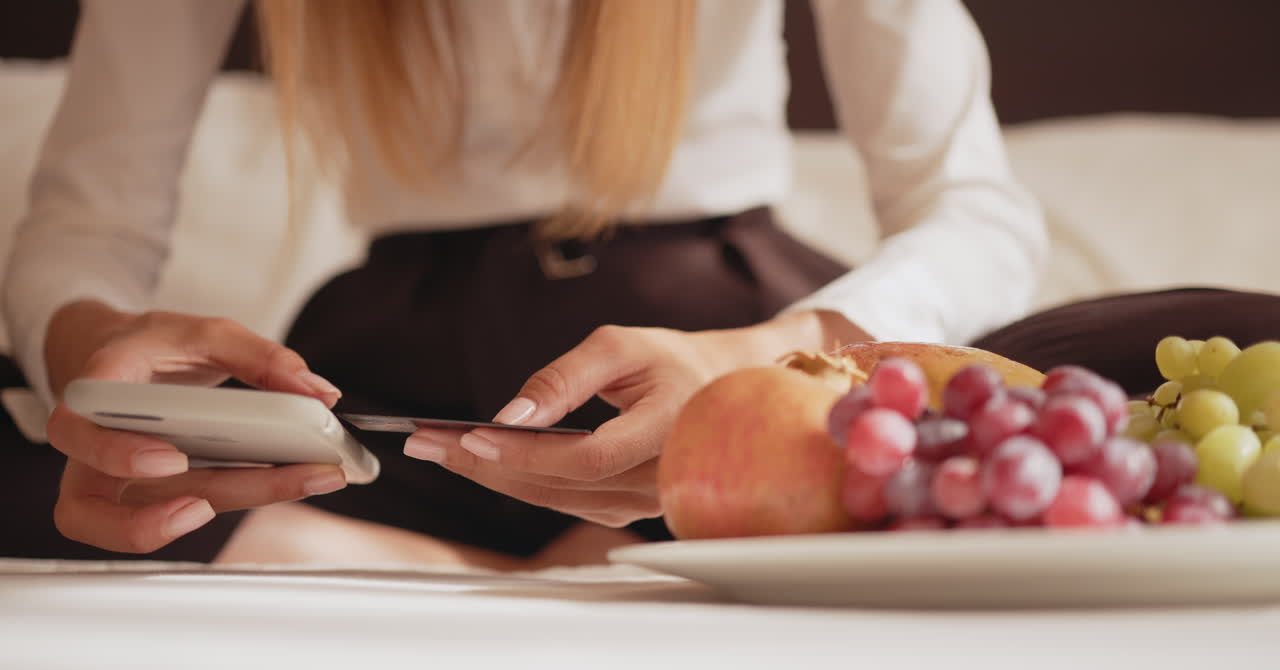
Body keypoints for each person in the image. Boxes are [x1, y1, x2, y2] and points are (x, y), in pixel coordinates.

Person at [2, 0, 1049, 564]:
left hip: (715, 354)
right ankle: (551, 573)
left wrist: (765, 359)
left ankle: (371, 564)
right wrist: (90, 355)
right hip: (396, 406)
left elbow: (978, 213)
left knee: (1069, 395)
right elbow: (89, 223)